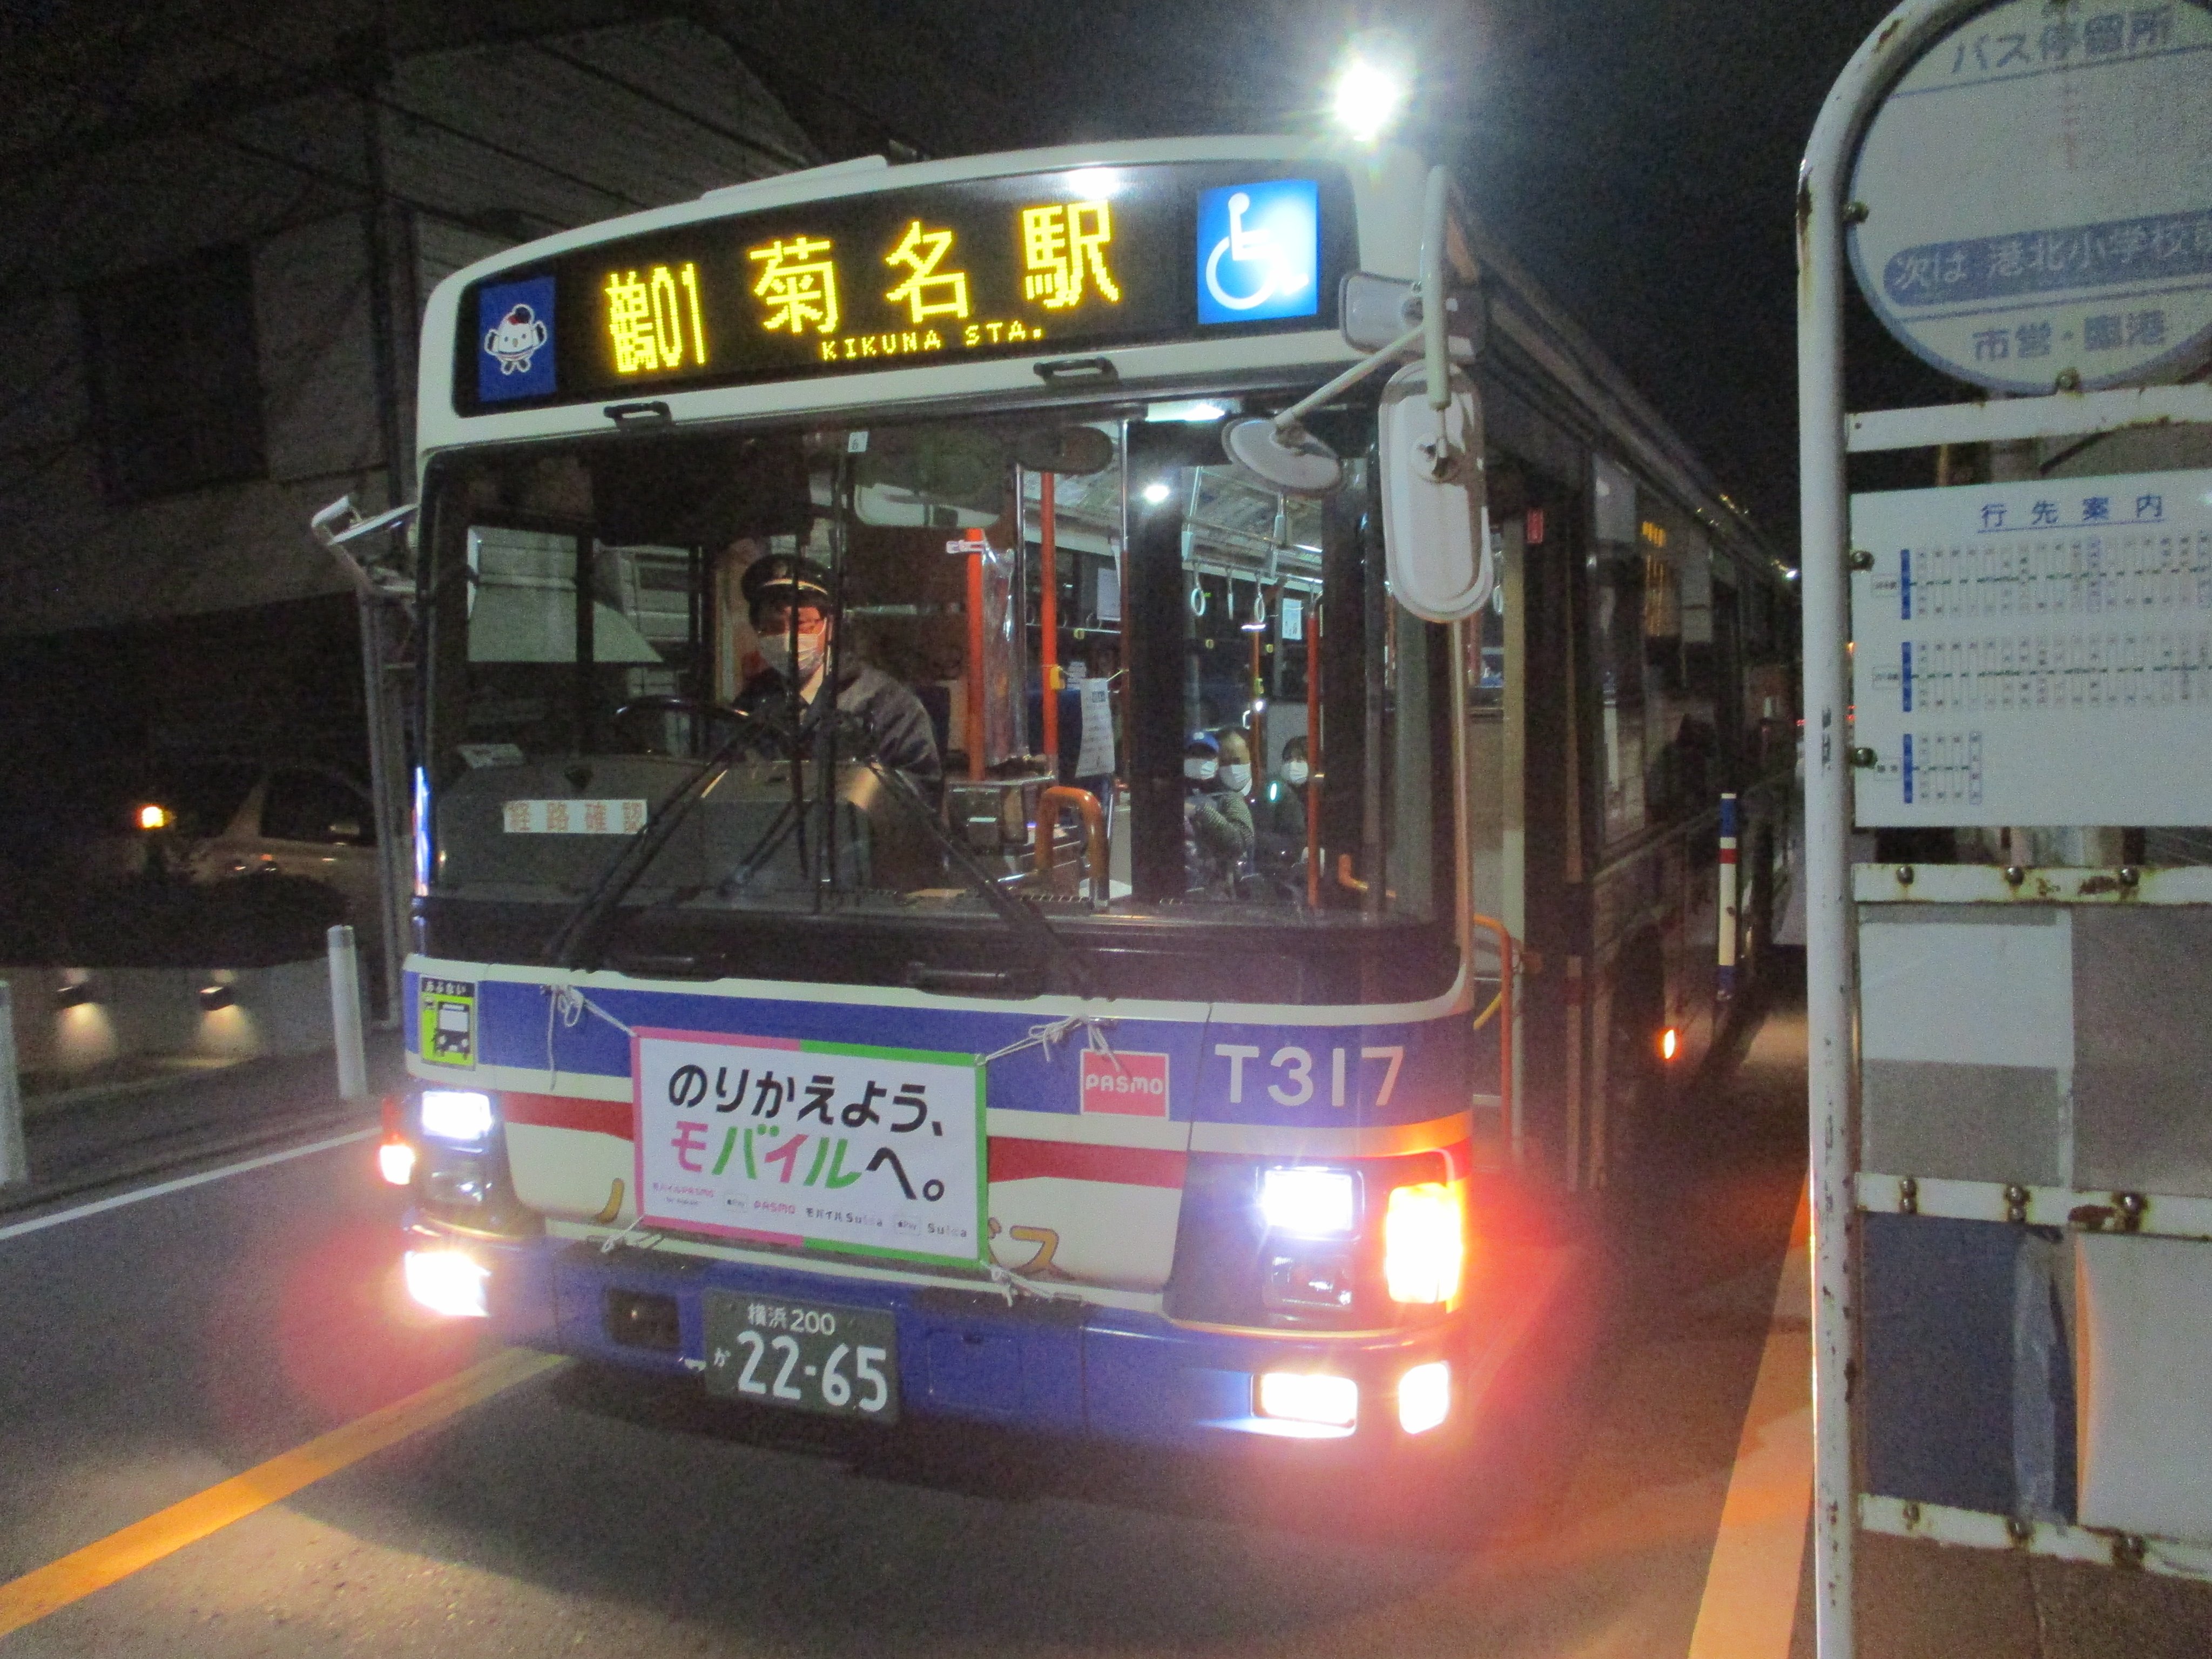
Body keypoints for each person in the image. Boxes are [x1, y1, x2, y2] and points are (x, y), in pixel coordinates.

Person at [733, 553, 941, 794]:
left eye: (801, 624)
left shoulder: (886, 703)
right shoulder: (750, 704)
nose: (786, 638)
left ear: (829, 625)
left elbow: (922, 794)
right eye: (772, 628)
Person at [1183, 730, 1253, 893]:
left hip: (1217, 891)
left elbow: (1241, 841)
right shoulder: (1172, 795)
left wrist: (1200, 812)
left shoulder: (1229, 798)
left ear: (1217, 761)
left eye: (1206, 756)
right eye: (1193, 755)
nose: (1200, 761)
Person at [1257, 734, 1313, 864]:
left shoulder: (1322, 796)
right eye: (1288, 759)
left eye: (1300, 759)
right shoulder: (1275, 792)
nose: (1293, 765)